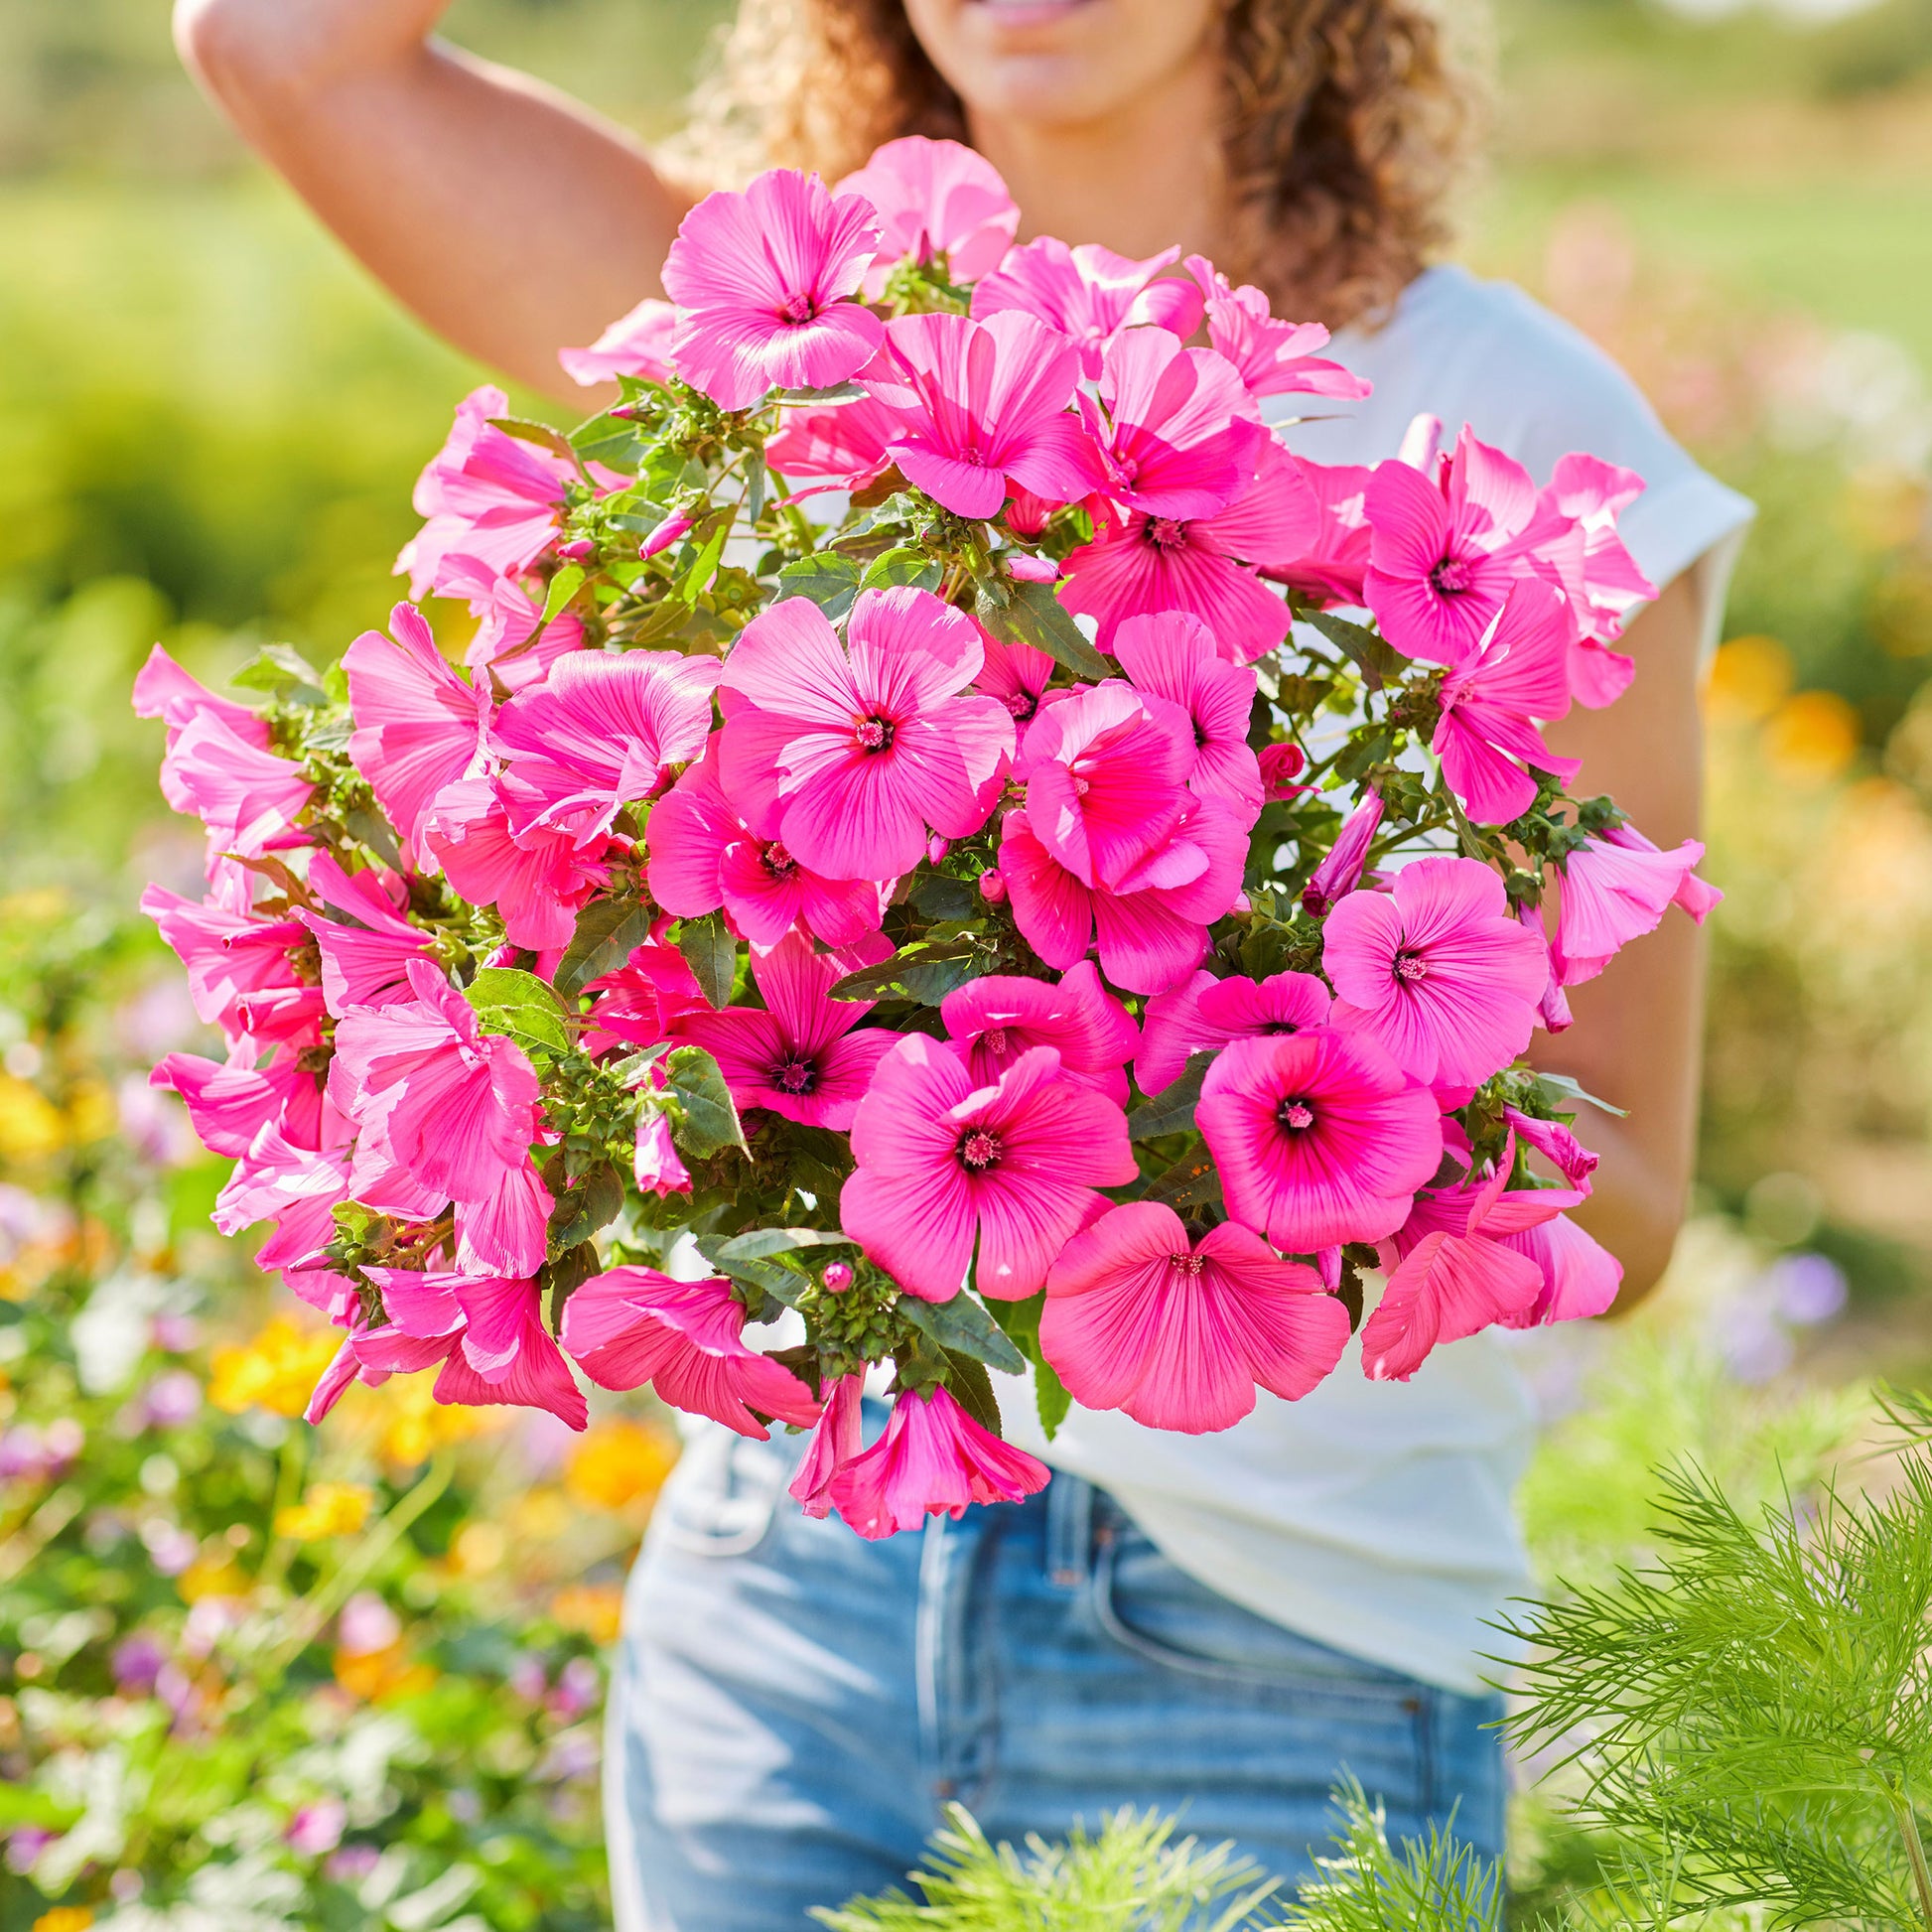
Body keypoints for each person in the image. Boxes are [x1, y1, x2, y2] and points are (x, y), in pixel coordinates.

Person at [173, 1, 1755, 1924]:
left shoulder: (1522, 419)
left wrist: (1171, 1158)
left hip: (1268, 1655)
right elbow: (271, 38)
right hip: (792, 1602)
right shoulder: (784, 341)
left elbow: (1635, 1200)